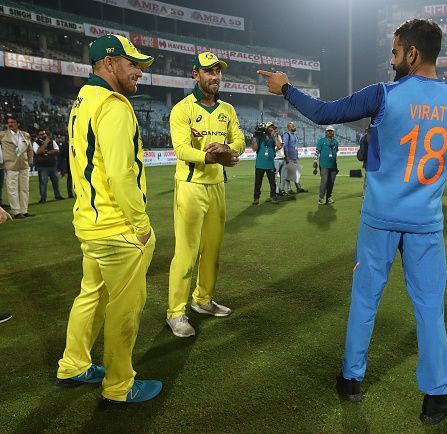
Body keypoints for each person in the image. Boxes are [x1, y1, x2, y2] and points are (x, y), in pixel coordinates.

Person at [259, 18, 447, 424]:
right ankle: (436, 397)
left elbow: (322, 113)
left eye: (395, 52)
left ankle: (351, 379)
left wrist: (285, 87)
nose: (392, 60)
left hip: (380, 218)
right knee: (430, 310)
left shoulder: (385, 95)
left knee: (365, 300)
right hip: (426, 223)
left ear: (412, 53)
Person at [55, 34, 161, 404]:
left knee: (91, 296)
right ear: (110, 63)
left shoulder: (84, 99)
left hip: (90, 223)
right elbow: (120, 174)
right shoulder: (114, 105)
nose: (139, 73)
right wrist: (142, 226)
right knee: (124, 309)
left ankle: (73, 364)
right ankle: (119, 386)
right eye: (133, 65)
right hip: (118, 228)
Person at [166, 51, 245, 338]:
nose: (216, 77)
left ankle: (202, 300)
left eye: (218, 72)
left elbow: (239, 138)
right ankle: (175, 311)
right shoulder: (182, 109)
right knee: (186, 253)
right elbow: (181, 150)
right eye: (209, 72)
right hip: (190, 187)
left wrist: (232, 151)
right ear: (195, 74)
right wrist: (214, 157)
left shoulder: (228, 110)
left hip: (217, 187)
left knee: (212, 250)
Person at [0, 115, 33, 218]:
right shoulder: (2, 135)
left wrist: (30, 160)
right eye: (9, 122)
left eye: (12, 122)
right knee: (12, 189)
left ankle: (24, 210)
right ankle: (16, 211)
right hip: (10, 165)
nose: (10, 124)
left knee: (24, 188)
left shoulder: (25, 135)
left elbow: (30, 149)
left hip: (23, 164)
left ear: (18, 124)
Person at [252, 122, 281, 205]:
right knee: (258, 182)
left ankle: (273, 197)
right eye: (271, 127)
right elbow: (254, 148)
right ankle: (256, 198)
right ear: (267, 128)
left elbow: (279, 146)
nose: (273, 129)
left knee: (272, 182)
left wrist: (274, 136)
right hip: (260, 163)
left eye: (273, 128)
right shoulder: (260, 137)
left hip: (270, 163)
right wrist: (255, 136)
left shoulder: (273, 137)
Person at [33, 129, 64, 203]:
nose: (43, 135)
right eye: (41, 134)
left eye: (44, 134)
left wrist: (47, 152)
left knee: (55, 181)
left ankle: (58, 195)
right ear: (37, 136)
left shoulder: (52, 141)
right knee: (43, 182)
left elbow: (57, 150)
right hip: (42, 166)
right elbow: (38, 151)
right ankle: (43, 198)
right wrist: (46, 143)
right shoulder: (35, 143)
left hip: (52, 165)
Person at [315, 126, 339, 205]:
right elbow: (317, 151)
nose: (330, 132)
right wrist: (315, 160)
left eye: (331, 131)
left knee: (331, 182)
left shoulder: (335, 142)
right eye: (328, 131)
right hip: (324, 165)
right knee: (324, 181)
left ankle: (328, 197)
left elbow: (335, 153)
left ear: (333, 132)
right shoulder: (321, 141)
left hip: (333, 166)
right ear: (325, 132)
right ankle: (321, 198)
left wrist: (336, 165)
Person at [282, 122, 307, 193]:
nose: (295, 127)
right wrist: (286, 157)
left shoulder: (294, 135)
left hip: (294, 157)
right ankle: (289, 189)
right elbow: (285, 146)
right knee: (289, 173)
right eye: (293, 126)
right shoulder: (287, 135)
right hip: (289, 157)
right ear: (289, 127)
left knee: (296, 173)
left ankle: (298, 188)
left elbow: (294, 146)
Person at [274, 126, 287, 196]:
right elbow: (273, 150)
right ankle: (276, 192)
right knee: (275, 178)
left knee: (283, 177)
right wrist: (279, 147)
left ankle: (282, 190)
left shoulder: (279, 137)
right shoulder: (271, 139)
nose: (277, 131)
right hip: (276, 159)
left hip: (282, 158)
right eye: (275, 130)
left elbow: (282, 148)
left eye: (277, 130)